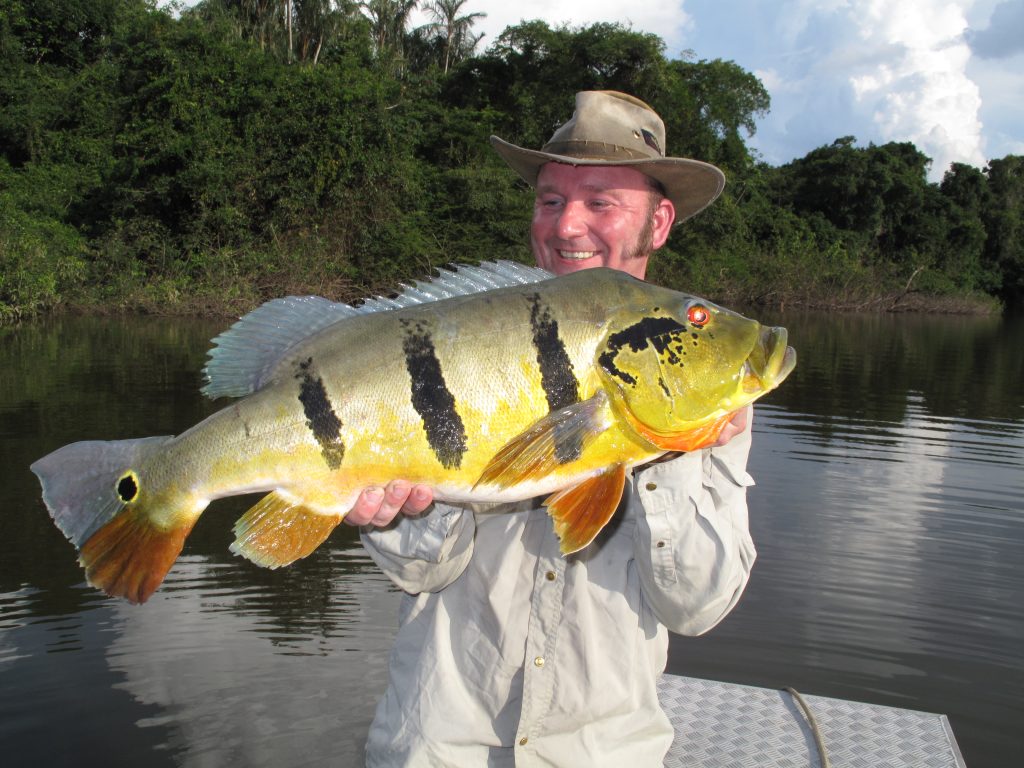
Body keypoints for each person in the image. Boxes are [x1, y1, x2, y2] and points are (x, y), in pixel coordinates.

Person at [349, 91, 756, 767]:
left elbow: (697, 606)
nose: (567, 226)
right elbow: (423, 570)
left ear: (658, 222)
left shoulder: (703, 387)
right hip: (437, 749)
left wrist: (657, 443)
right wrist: (392, 512)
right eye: (548, 200)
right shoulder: (456, 342)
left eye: (600, 201)